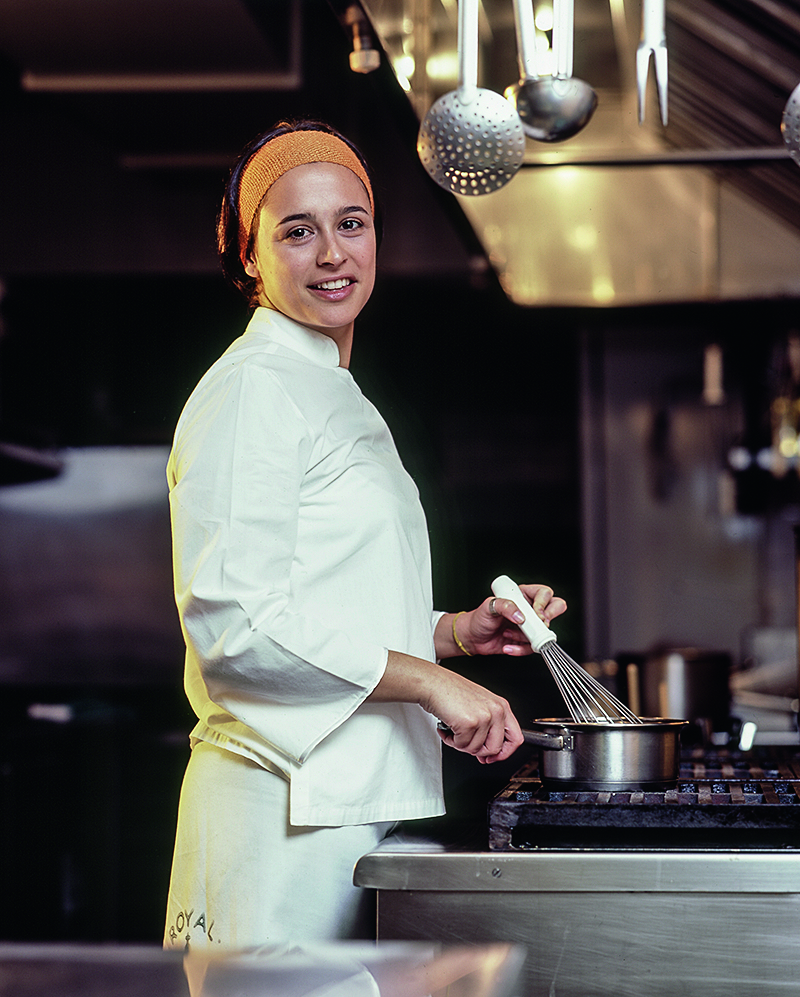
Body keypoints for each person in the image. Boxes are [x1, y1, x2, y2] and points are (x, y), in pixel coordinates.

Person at [163, 119, 566, 952]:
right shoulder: (253, 389)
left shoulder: (330, 386)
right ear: (249, 256)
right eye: (296, 231)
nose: (332, 254)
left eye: (351, 222)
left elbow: (322, 604)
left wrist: (456, 634)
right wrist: (430, 681)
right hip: (276, 816)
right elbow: (237, 627)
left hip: (340, 810)